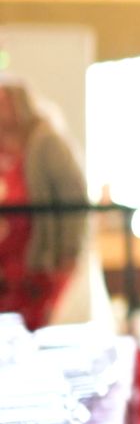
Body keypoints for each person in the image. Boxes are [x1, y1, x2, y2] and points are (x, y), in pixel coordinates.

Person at [0, 79, 88, 330]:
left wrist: (70, 251)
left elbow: (74, 199)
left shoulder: (45, 141)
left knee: (33, 327)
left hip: (38, 260)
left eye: (5, 102)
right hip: (5, 266)